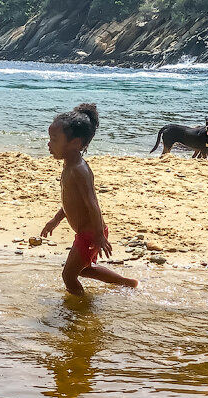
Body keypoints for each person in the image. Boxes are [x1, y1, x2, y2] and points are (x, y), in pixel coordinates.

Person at [41, 103, 138, 295]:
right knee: (83, 269)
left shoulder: (79, 170)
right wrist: (56, 219)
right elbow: (72, 201)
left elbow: (92, 204)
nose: (49, 144)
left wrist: (99, 235)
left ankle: (80, 310)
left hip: (91, 234)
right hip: (88, 232)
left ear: (75, 143)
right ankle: (127, 283)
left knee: (68, 276)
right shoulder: (69, 165)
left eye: (54, 139)